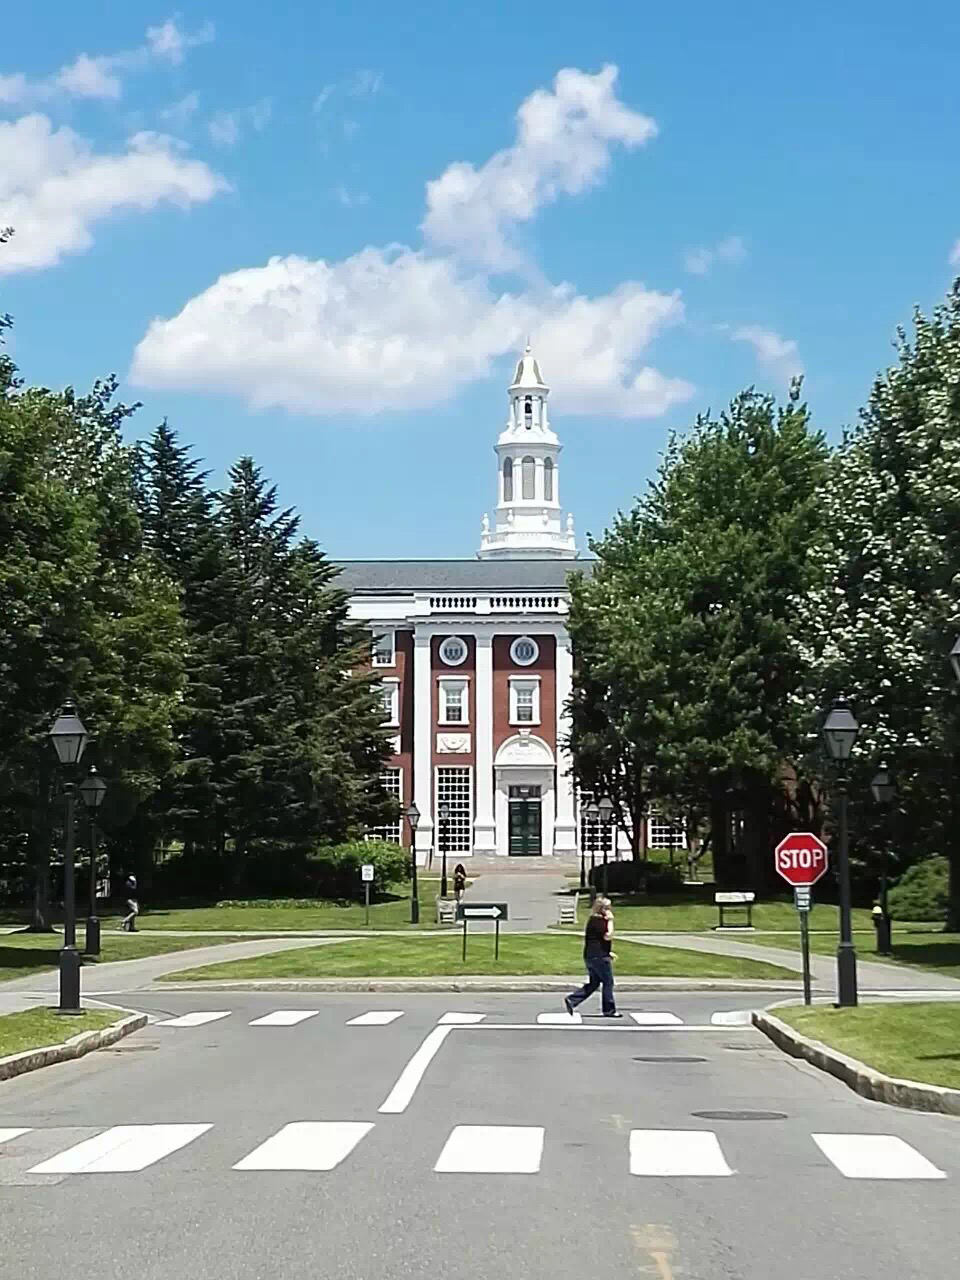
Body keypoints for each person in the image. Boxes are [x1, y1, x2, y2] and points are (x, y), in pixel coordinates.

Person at [565, 896, 621, 1018]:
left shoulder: (592, 920)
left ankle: (572, 1000)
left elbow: (596, 940)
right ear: (603, 909)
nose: (611, 909)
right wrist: (611, 921)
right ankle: (609, 1010)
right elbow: (608, 936)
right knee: (608, 982)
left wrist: (608, 952)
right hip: (599, 957)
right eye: (608, 907)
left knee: (594, 983)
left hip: (591, 956)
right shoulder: (600, 921)